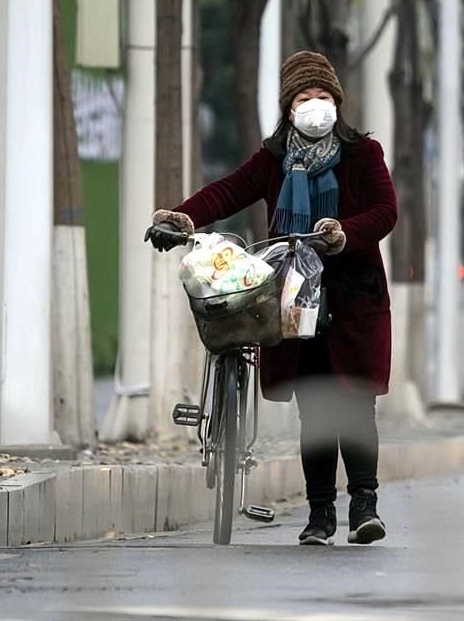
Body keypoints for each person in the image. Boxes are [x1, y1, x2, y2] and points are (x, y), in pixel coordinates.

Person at [144, 51, 397, 546]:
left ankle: (364, 506)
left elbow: (386, 212)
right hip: (293, 298)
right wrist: (181, 216)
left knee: (354, 405)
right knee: (316, 408)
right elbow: (226, 192)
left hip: (354, 300)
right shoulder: (273, 161)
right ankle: (320, 515)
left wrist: (345, 232)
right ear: (288, 107)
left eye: (324, 96)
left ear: (337, 103)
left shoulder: (364, 154)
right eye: (305, 97)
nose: (316, 105)